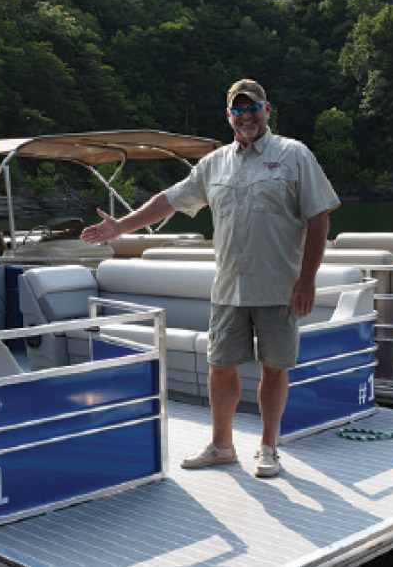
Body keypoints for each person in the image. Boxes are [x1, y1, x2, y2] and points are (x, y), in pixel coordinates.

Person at [80, 78, 338, 478]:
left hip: (279, 288)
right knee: (220, 366)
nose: (247, 116)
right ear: (229, 116)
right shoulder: (214, 163)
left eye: (253, 108)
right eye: (239, 109)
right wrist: (120, 228)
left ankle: (269, 447)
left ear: (267, 110)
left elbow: (319, 217)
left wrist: (307, 280)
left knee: (274, 368)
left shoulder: (294, 154)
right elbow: (170, 199)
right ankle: (222, 446)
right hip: (228, 288)